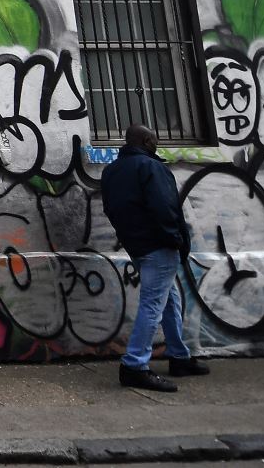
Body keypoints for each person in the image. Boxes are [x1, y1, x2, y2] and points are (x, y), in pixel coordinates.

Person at [101, 124, 210, 392]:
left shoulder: (112, 171)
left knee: (169, 299)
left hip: (136, 245)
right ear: (148, 140)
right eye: (155, 139)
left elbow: (111, 208)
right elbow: (165, 207)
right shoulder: (151, 168)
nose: (157, 143)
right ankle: (134, 365)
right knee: (153, 304)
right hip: (158, 246)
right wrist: (175, 239)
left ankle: (179, 356)